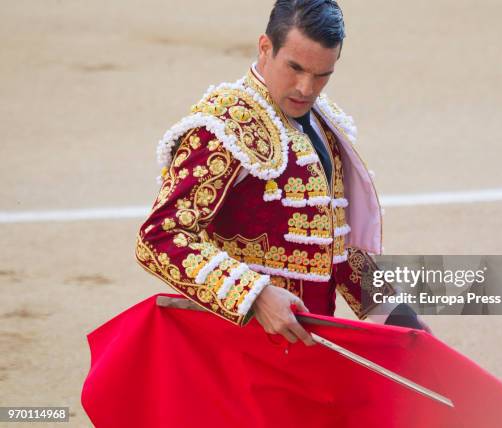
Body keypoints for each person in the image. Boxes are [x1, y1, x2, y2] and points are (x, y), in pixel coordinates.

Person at [135, 0, 425, 347]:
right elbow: (158, 237)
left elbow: (335, 245)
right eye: (295, 68)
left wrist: (395, 315)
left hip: (307, 349)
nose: (306, 88)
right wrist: (254, 295)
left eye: (322, 75)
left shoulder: (323, 123)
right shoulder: (225, 126)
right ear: (265, 47)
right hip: (241, 348)